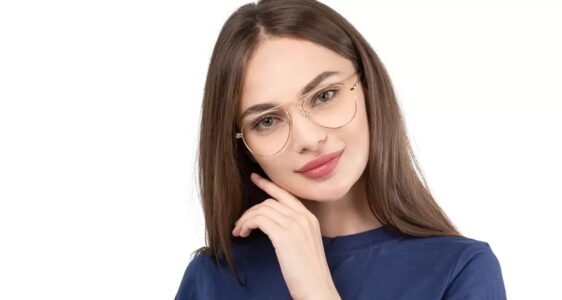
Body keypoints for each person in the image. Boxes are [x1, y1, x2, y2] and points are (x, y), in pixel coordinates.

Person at [175, 0, 507, 299]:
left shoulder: (460, 269)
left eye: (324, 96)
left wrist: (314, 288)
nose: (308, 138)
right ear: (241, 144)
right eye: (267, 121)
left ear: (368, 87)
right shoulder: (214, 279)